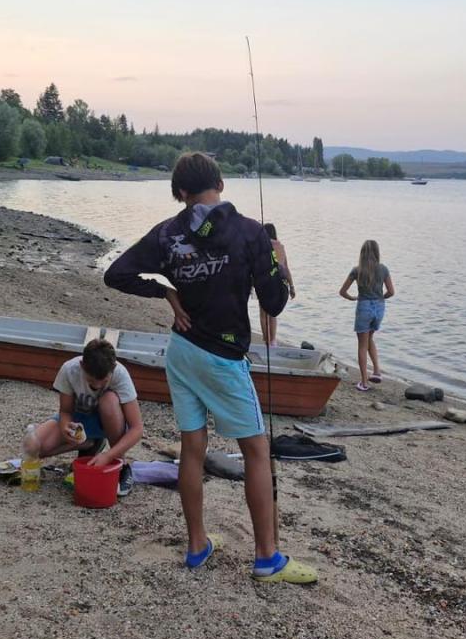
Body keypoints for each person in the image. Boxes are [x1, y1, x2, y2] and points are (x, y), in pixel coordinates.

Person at [104, 152, 317, 584]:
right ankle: (267, 557)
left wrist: (165, 290)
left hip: (182, 351)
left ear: (180, 192)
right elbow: (274, 303)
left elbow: (116, 274)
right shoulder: (250, 232)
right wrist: (279, 262)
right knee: (256, 451)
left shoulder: (167, 234)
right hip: (223, 357)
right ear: (220, 183)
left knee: (193, 447)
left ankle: (197, 544)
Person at [24, 338, 143, 496]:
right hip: (80, 421)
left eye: (103, 381)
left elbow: (137, 428)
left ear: (113, 368)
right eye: (91, 380)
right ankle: (90, 444)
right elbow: (65, 411)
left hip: (110, 420)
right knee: (33, 447)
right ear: (82, 365)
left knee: (108, 400)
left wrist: (109, 456)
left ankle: (121, 464)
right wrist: (66, 427)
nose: (97, 386)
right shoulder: (70, 369)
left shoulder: (120, 374)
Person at [339, 239, 395, 392]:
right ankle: (376, 371)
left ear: (362, 253)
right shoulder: (383, 269)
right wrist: (381, 297)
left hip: (364, 307)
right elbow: (391, 292)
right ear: (377, 253)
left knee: (362, 345)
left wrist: (352, 298)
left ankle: (364, 382)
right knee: (369, 338)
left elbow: (342, 291)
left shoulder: (357, 270)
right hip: (379, 308)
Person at [259, 222, 294, 347]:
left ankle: (266, 341)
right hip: (280, 284)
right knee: (273, 313)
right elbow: (286, 268)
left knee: (263, 314)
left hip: (265, 282)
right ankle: (273, 341)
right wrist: (292, 287)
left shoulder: (261, 246)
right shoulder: (281, 247)